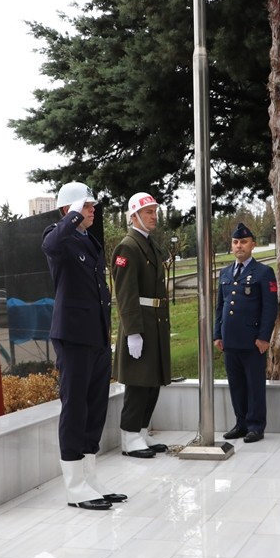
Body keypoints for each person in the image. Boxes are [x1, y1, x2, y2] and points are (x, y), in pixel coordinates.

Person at [43, 182, 126, 510]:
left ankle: (90, 479)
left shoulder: (88, 240)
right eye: (86, 205)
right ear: (69, 209)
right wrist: (72, 217)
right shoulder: (59, 236)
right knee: (75, 407)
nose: (92, 210)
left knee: (95, 408)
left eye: (92, 206)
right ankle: (74, 486)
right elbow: (50, 244)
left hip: (97, 336)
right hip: (73, 336)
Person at [112, 192, 170, 458]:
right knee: (138, 383)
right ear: (134, 216)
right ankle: (129, 436)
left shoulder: (149, 244)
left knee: (153, 381)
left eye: (154, 211)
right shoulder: (128, 246)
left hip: (154, 321)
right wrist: (133, 332)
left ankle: (142, 433)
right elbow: (125, 294)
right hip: (140, 323)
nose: (153, 216)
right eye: (148, 212)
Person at [213, 223, 278, 443]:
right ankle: (241, 423)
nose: (239, 246)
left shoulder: (263, 272)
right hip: (230, 341)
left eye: (243, 242)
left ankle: (256, 426)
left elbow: (270, 308)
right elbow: (220, 306)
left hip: (252, 342)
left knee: (254, 386)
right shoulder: (225, 273)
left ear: (253, 245)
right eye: (235, 242)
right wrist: (217, 335)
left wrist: (264, 337)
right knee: (237, 385)